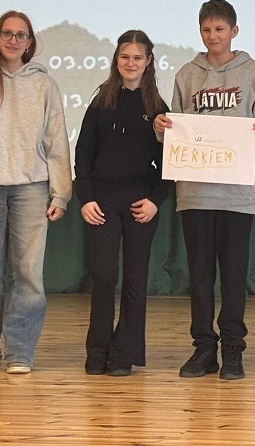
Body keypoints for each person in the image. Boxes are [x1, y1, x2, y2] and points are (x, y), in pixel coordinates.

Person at [153, 0, 255, 381]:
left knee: (234, 276)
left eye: (220, 29)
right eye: (207, 30)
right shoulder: (187, 75)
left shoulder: (254, 72)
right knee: (199, 276)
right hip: (196, 192)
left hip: (239, 194)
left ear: (234, 32)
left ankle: (234, 350)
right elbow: (175, 129)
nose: (213, 36)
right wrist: (161, 128)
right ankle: (204, 349)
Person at [0, 10, 72, 375]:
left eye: (21, 35)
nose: (14, 40)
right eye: (7, 33)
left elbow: (56, 142)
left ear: (30, 42)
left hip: (32, 189)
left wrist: (61, 193)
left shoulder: (44, 85)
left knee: (29, 274)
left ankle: (20, 351)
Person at [74, 30, 171, 377]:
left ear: (148, 62)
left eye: (137, 57)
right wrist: (86, 198)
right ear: (117, 61)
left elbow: (170, 161)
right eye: (125, 57)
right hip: (101, 203)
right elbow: (83, 154)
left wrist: (155, 201)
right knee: (103, 277)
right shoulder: (100, 104)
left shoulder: (158, 109)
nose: (131, 63)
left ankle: (123, 355)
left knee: (135, 279)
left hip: (140, 204)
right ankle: (97, 352)